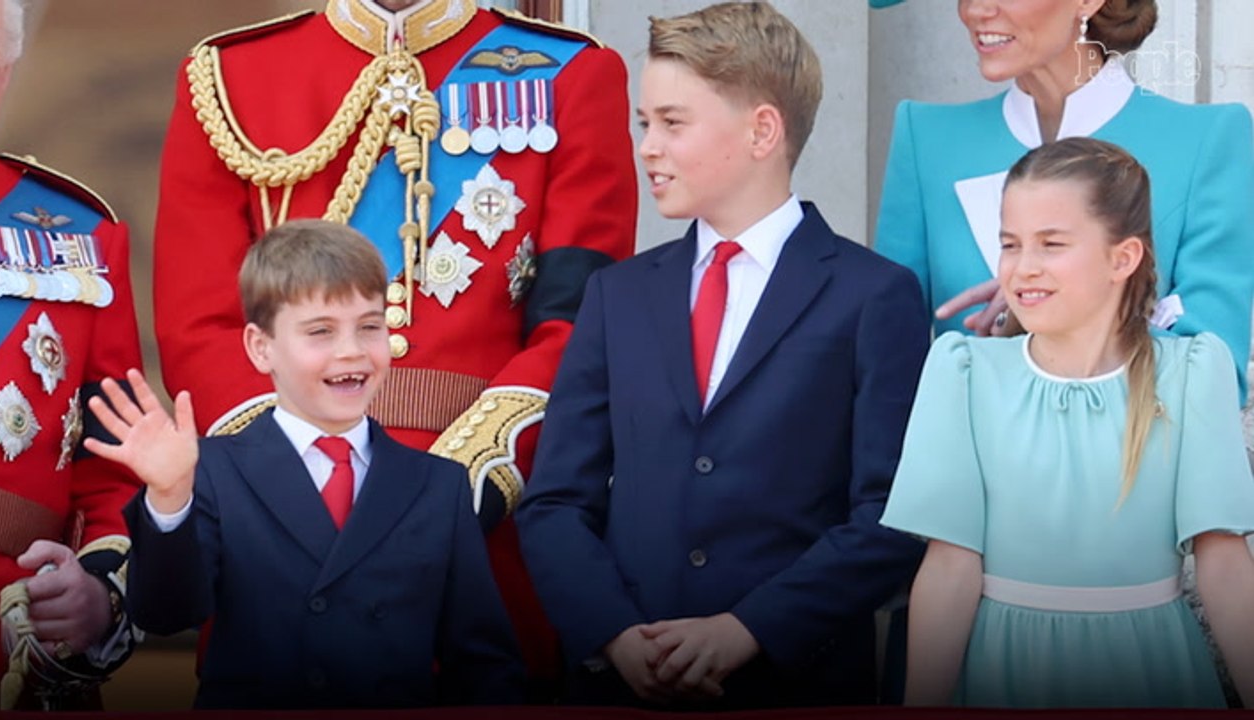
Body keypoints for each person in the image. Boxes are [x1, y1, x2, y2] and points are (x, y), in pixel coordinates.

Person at [151, 0, 637, 683]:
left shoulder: (573, 75)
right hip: (279, 529)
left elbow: (580, 328)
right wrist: (282, 486)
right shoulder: (228, 77)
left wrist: (457, 492)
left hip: (479, 525)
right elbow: (198, 324)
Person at [516, 1, 928, 709]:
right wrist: (614, 635)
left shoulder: (874, 296)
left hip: (796, 680)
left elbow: (891, 515)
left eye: (673, 123)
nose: (647, 145)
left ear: (763, 129)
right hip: (625, 683)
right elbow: (554, 502)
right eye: (645, 123)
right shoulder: (616, 295)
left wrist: (748, 629)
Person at [882, 137, 1254, 708]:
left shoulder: (1191, 373)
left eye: (1051, 245)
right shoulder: (964, 371)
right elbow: (951, 567)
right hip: (1001, 671)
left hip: (1154, 671)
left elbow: (1224, 565)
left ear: (1122, 258)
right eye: (1009, 245)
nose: (1023, 268)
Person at [90, 220, 523, 709]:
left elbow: (485, 665)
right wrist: (169, 497)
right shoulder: (212, 471)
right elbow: (165, 613)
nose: (351, 351)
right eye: (321, 331)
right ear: (261, 347)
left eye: (370, 326)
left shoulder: (438, 484)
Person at [872, 0, 1254, 402]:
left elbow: (1215, 375)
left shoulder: (1206, 140)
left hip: (1133, 461)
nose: (975, 10)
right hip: (968, 462)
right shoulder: (927, 139)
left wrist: (1058, 312)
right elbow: (891, 367)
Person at [0, 0, 142, 708]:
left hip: (2, 639)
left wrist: (97, 590)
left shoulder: (79, 236)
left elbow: (118, 470)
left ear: (9, 68)